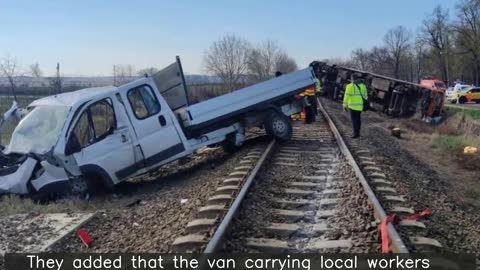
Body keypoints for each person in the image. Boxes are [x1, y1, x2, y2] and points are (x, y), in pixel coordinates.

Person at [343, 74, 368, 138]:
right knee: (358, 119)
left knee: (354, 120)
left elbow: (346, 96)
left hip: (352, 106)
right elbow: (366, 97)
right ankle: (358, 133)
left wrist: (344, 105)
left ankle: (355, 134)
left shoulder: (350, 86)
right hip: (360, 106)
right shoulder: (363, 86)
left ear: (352, 79)